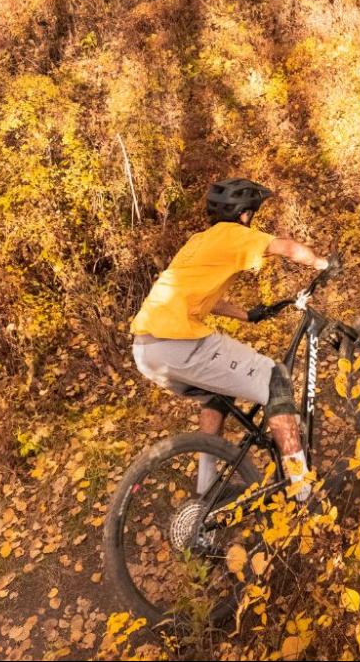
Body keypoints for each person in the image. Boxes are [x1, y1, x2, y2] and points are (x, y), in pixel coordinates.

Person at [130, 178, 332, 502]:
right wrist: (323, 263)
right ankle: (303, 492)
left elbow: (202, 297)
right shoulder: (235, 235)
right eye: (252, 213)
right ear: (244, 215)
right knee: (276, 379)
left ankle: (206, 492)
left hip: (146, 348)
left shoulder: (198, 242)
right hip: (179, 343)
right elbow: (285, 248)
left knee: (216, 397)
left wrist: (247, 315)